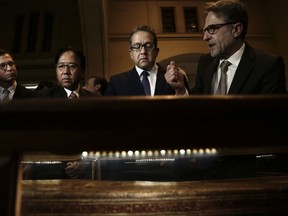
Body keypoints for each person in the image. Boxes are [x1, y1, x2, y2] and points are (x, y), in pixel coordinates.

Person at [173, 0, 287, 95]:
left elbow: (271, 117)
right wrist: (181, 89)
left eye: (212, 29)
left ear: (236, 30)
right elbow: (197, 105)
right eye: (204, 31)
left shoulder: (268, 65)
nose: (205, 37)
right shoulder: (205, 62)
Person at [104, 25, 190, 96]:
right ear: (131, 53)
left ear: (156, 51)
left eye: (148, 46)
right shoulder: (117, 82)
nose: (143, 52)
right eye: (137, 47)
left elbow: (190, 112)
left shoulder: (175, 77)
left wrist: (181, 90)